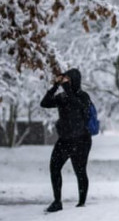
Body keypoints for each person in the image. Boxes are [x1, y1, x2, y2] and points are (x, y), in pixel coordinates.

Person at [40, 68, 93, 213]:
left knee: (80, 171)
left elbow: (78, 106)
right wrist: (55, 86)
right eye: (64, 79)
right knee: (54, 168)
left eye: (68, 79)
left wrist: (67, 89)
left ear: (75, 80)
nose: (65, 81)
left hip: (82, 140)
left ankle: (81, 203)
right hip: (65, 140)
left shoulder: (83, 96)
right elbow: (44, 103)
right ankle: (57, 202)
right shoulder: (62, 97)